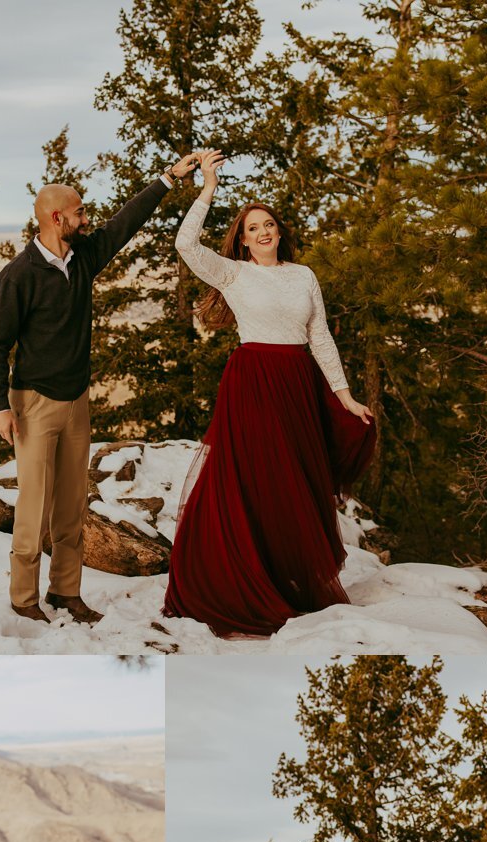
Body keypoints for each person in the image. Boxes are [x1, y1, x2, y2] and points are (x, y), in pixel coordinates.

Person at [163, 149, 378, 637]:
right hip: (253, 382)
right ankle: (240, 581)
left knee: (294, 483)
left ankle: (290, 581)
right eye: (252, 227)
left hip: (298, 383)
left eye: (269, 225)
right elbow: (185, 244)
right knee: (251, 480)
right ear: (241, 239)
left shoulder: (303, 276)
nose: (263, 232)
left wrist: (343, 396)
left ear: (279, 231)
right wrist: (208, 189)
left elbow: (320, 336)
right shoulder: (233, 272)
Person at [0, 156, 198, 626]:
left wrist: (168, 179)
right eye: (79, 212)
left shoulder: (84, 258)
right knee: (34, 509)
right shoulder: (19, 276)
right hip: (33, 403)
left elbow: (125, 223)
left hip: (76, 401)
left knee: (72, 506)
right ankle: (23, 600)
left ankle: (65, 592)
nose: (86, 218)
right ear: (57, 218)